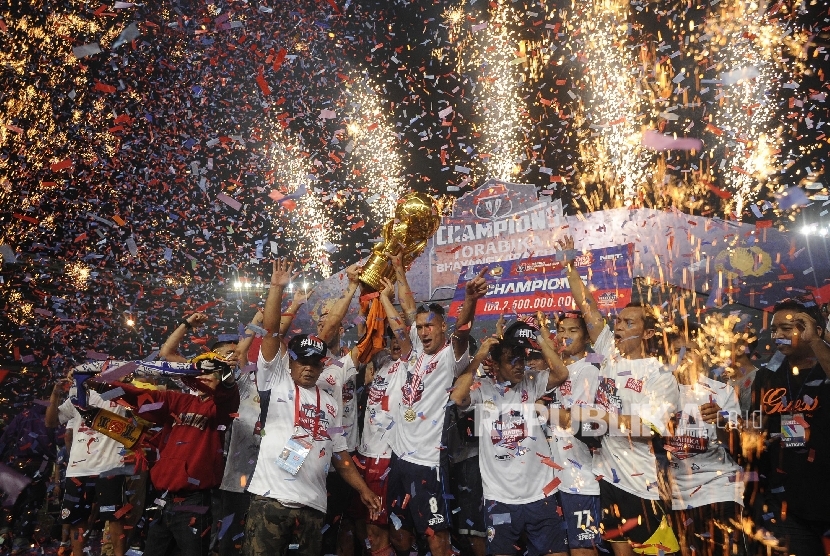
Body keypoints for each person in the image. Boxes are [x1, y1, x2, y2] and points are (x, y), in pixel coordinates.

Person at [242, 259, 381, 556]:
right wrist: (276, 288)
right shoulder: (275, 379)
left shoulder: (329, 402)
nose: (307, 368)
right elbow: (270, 333)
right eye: (302, 362)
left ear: (322, 366)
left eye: (314, 363)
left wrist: (363, 489)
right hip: (271, 499)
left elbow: (342, 457)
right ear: (290, 362)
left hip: (313, 506)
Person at [559, 236, 680, 556]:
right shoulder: (610, 356)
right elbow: (589, 310)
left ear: (650, 332)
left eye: (629, 322)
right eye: (619, 321)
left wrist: (599, 418)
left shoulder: (660, 375)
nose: (620, 326)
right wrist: (570, 266)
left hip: (642, 488)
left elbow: (648, 428)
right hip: (608, 483)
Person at [93, 337, 241, 556]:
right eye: (203, 372)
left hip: (195, 501)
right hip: (164, 500)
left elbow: (229, 397)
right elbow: (142, 397)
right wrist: (103, 385)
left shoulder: (220, 408)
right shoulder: (179, 401)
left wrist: (226, 376)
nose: (206, 376)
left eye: (212, 372)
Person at [385, 267, 488, 556]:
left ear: (443, 327)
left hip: (427, 462)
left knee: (436, 536)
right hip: (399, 457)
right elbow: (408, 309)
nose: (423, 331)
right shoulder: (417, 348)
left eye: (429, 326)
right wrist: (398, 269)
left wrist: (469, 300)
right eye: (419, 327)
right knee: (399, 534)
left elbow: (464, 330)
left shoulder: (449, 357)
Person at [450, 319, 570, 556]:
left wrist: (540, 341)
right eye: (511, 361)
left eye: (521, 360)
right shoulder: (482, 388)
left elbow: (561, 373)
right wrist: (478, 357)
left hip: (540, 493)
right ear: (494, 364)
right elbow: (456, 397)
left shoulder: (531, 382)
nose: (519, 366)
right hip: (500, 498)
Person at [747, 298, 830, 555]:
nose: (779, 335)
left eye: (789, 328)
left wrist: (816, 341)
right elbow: (756, 423)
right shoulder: (767, 375)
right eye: (775, 329)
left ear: (813, 328)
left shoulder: (824, 364)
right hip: (787, 501)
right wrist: (748, 432)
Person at [665, 327, 746, 556]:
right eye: (676, 350)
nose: (683, 355)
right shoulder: (658, 391)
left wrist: (721, 421)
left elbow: (737, 446)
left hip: (719, 489)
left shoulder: (722, 391)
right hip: (677, 495)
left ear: (701, 353)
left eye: (689, 349)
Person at [45, 366, 136, 556]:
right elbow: (51, 422)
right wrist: (55, 394)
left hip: (110, 467)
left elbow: (138, 391)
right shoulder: (77, 399)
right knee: (77, 521)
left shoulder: (117, 393)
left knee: (116, 519)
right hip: (79, 469)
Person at [544, 312, 604, 555]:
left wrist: (540, 407)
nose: (565, 336)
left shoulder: (590, 369)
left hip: (582, 480)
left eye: (573, 330)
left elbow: (576, 420)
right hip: (556, 479)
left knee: (583, 550)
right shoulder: (553, 370)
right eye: (561, 330)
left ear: (587, 335)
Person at [0, 395, 57, 554]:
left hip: (18, 461)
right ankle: (21, 539)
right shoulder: (54, 417)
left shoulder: (23, 415)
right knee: (32, 502)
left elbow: (7, 437)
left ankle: (4, 532)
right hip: (43, 462)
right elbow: (59, 441)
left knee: (12, 498)